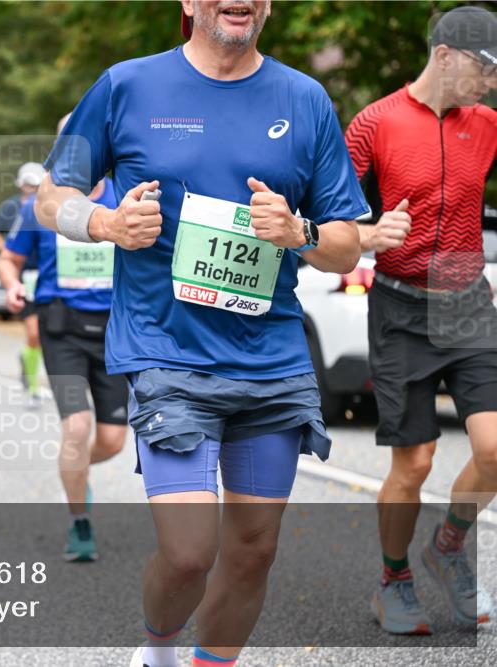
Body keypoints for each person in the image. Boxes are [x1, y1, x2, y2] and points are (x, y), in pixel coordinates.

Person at [35, 2, 368, 665]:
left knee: (253, 550)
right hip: (166, 349)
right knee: (189, 551)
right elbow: (50, 195)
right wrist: (105, 224)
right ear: (188, 2)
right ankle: (158, 650)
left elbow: (348, 243)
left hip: (270, 357)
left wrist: (299, 231)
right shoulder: (125, 85)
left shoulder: (305, 100)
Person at [344, 5, 497, 635]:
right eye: (485, 68)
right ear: (445, 56)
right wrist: (368, 232)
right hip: (401, 306)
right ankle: (393, 579)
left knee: (495, 450)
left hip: (468, 302)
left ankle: (450, 547)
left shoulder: (486, 124)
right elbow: (331, 222)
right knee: (414, 464)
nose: (490, 82)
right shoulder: (373, 123)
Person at [0, 144, 127, 562]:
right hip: (62, 330)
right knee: (76, 427)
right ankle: (79, 523)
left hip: (113, 332)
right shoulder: (44, 202)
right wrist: (12, 284)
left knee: (111, 441)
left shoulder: (126, 194)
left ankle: (76, 471)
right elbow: (9, 258)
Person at [0, 162, 45, 408]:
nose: (31, 188)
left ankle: (28, 362)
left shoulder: (51, 206)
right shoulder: (11, 206)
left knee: (41, 335)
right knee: (33, 331)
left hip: (47, 274)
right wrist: (9, 252)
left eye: (36, 184)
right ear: (21, 184)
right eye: (28, 184)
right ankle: (32, 387)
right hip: (24, 275)